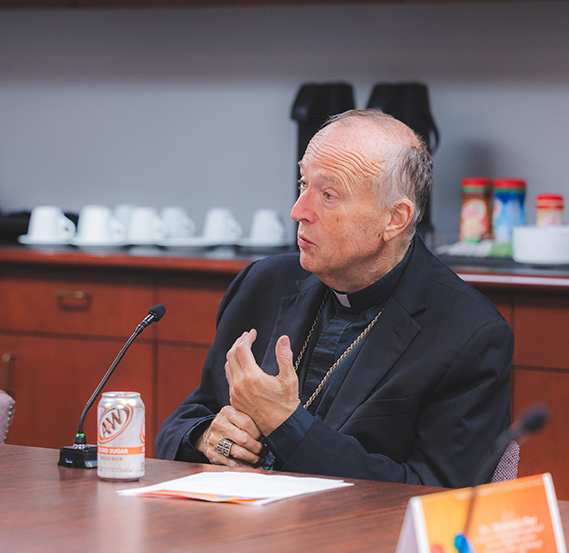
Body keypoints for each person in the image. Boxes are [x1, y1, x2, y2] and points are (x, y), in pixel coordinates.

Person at [155, 110, 512, 487]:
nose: (298, 211)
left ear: (395, 218)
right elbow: (185, 419)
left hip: (357, 542)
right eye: (302, 183)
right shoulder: (263, 284)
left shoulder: (468, 333)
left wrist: (287, 425)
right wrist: (208, 438)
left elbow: (435, 494)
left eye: (328, 195)